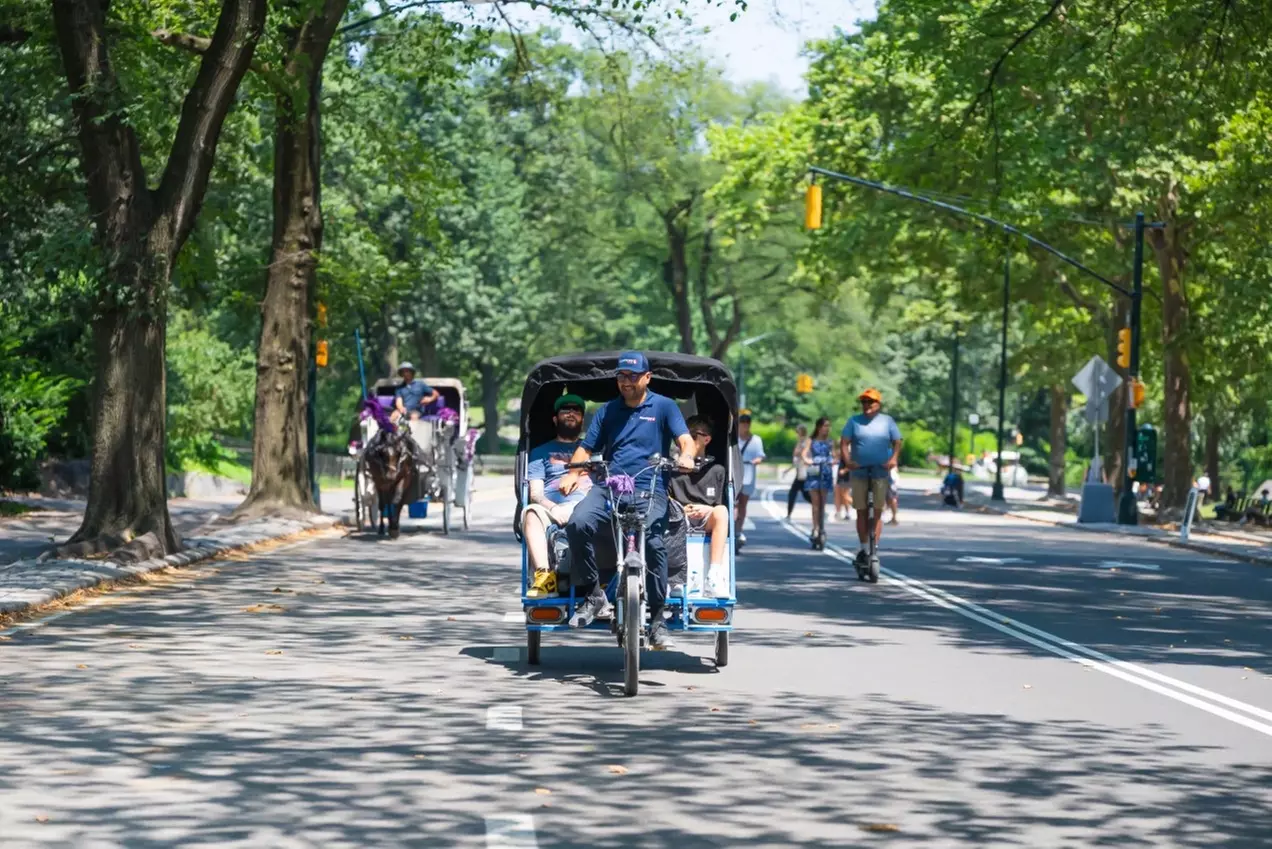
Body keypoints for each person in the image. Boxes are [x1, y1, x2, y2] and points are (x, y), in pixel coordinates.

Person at [559, 352, 695, 649]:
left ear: (647, 377)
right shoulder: (607, 411)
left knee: (656, 544)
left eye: (633, 376)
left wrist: (686, 456)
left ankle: (657, 620)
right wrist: (573, 471)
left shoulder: (664, 407)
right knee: (578, 524)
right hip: (610, 486)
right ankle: (594, 594)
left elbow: (686, 440)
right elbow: (586, 448)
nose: (626, 382)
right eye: (621, 376)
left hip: (650, 488)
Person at [521, 394, 591, 597]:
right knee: (531, 513)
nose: (571, 413)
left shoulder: (591, 450)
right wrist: (553, 508)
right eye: (565, 410)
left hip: (587, 505)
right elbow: (535, 493)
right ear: (555, 418)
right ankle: (544, 576)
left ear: (582, 419)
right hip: (552, 506)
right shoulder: (541, 452)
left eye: (576, 410)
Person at [839, 388, 902, 568]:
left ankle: (874, 547)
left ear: (878, 404)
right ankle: (864, 548)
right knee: (862, 510)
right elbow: (844, 442)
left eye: (870, 402)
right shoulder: (854, 421)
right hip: (859, 471)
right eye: (864, 402)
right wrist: (848, 461)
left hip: (880, 472)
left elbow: (897, 442)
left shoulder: (887, 422)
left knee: (877, 510)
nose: (866, 405)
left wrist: (893, 459)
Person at [668, 416, 730, 598]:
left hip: (705, 517)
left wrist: (707, 510)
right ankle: (674, 580)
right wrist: (680, 508)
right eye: (684, 437)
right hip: (678, 517)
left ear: (706, 439)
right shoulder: (672, 469)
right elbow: (665, 498)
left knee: (721, 512)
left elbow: (719, 505)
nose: (687, 442)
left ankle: (714, 575)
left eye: (694, 436)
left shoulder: (716, 470)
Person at [801, 417, 835, 544]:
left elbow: (835, 455)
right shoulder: (812, 440)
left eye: (828, 426)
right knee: (815, 504)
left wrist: (834, 461)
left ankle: (822, 527)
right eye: (825, 426)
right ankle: (815, 528)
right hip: (814, 470)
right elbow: (804, 454)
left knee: (823, 503)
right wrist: (808, 460)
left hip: (825, 471)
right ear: (819, 427)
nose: (827, 428)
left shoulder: (830, 442)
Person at [735, 411, 765, 546]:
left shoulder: (756, 440)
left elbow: (760, 455)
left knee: (743, 503)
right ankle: (732, 527)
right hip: (735, 472)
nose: (745, 427)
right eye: (742, 424)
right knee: (734, 502)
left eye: (747, 424)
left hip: (749, 472)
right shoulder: (734, 439)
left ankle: (739, 530)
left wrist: (756, 461)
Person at [787, 424, 810, 520]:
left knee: (805, 495)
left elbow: (801, 454)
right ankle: (788, 514)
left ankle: (820, 507)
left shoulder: (806, 441)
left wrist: (799, 452)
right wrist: (788, 470)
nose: (797, 433)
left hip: (804, 472)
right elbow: (796, 457)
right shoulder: (799, 442)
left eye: (798, 431)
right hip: (799, 472)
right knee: (795, 493)